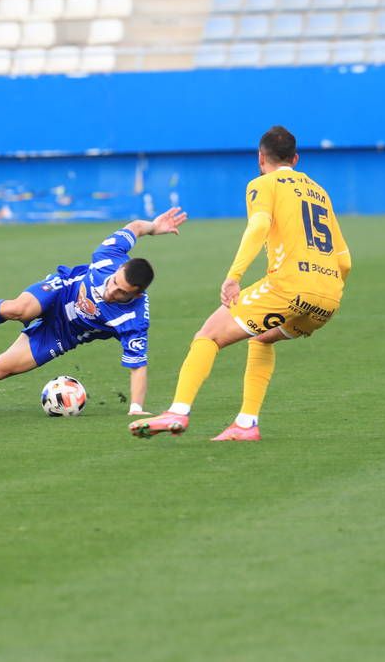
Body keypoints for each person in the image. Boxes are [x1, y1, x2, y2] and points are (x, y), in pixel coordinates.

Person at [130, 126, 352, 441]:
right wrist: (326, 288)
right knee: (262, 339)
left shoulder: (262, 183)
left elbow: (259, 224)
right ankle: (246, 424)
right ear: (296, 158)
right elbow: (345, 261)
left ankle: (177, 411)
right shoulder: (320, 192)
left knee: (207, 335)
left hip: (288, 286)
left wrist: (234, 276)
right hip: (328, 298)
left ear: (261, 158)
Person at [0, 207, 188, 413]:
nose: (111, 290)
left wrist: (136, 409)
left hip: (63, 333)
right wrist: (153, 226)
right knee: (19, 309)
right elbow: (135, 227)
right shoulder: (109, 257)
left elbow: (138, 367)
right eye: (114, 282)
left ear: (137, 294)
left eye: (121, 292)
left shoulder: (134, 319)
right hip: (59, 291)